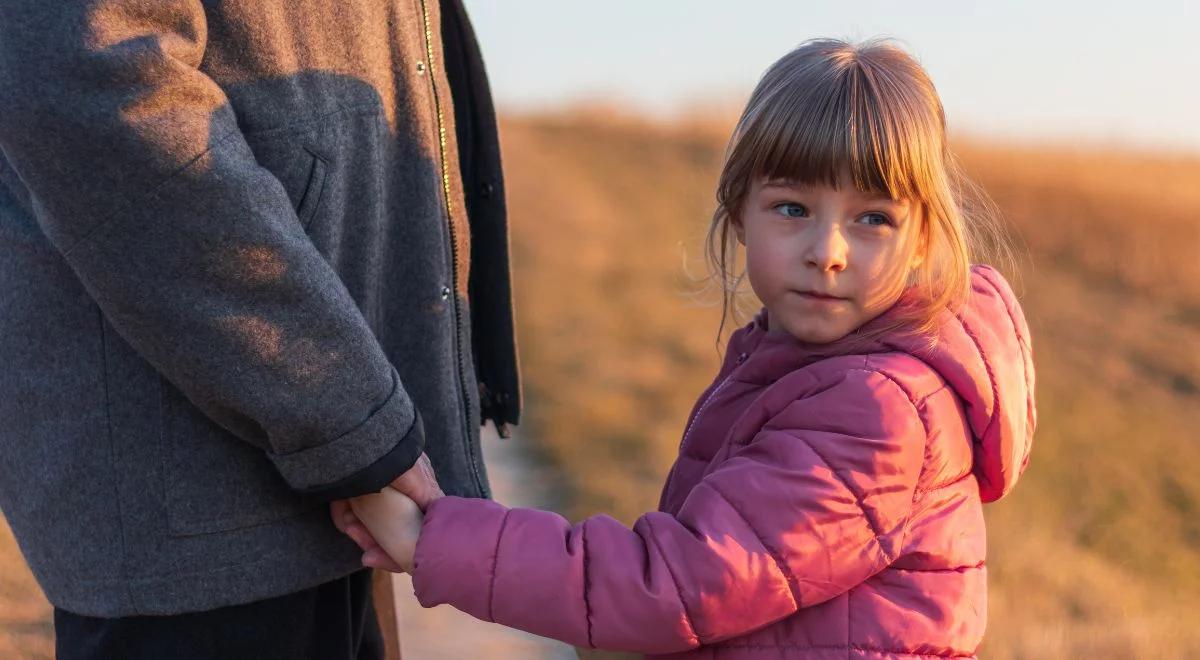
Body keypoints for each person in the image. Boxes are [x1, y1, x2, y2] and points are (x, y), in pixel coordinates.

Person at [338, 38, 1036, 659]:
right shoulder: (809, 367)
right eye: (793, 208)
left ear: (922, 241)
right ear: (739, 214)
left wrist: (432, 541)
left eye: (873, 219)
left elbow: (673, 584)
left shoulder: (882, 412)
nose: (827, 252)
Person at [0, 0, 518, 658]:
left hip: (329, 458)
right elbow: (92, 81)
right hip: (200, 503)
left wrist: (361, 416)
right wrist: (340, 408)